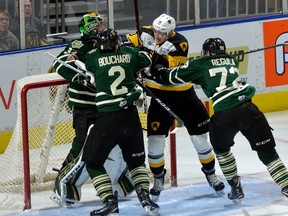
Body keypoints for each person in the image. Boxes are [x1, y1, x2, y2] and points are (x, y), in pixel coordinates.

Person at [156, 37, 288, 203]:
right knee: (268, 152)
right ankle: (286, 184)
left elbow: (171, 78)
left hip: (224, 115)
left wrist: (160, 69)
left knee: (221, 150)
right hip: (249, 110)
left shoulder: (200, 64)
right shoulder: (231, 60)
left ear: (207, 52)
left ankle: (235, 186)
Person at [124, 13, 224, 201]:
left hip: (183, 94)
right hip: (158, 94)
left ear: (170, 33)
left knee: (200, 139)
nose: (158, 36)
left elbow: (162, 68)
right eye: (156, 31)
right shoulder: (143, 32)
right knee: (154, 142)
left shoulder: (180, 42)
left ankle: (210, 174)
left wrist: (144, 55)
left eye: (162, 33)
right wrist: (132, 50)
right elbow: (123, 47)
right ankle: (159, 180)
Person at [51, 12, 134, 206]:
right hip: (85, 105)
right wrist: (83, 76)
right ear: (88, 29)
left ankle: (121, 182)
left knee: (119, 143)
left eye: (102, 25)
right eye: (97, 26)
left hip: (107, 105)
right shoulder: (79, 45)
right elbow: (60, 63)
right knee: (82, 143)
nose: (102, 28)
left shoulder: (108, 43)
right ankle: (65, 179)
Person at [82, 28, 159, 216]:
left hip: (107, 119)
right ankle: (146, 200)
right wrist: (137, 47)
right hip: (130, 118)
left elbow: (89, 65)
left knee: (92, 163)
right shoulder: (130, 54)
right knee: (136, 163)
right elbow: (147, 60)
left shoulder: (92, 57)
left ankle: (110, 202)